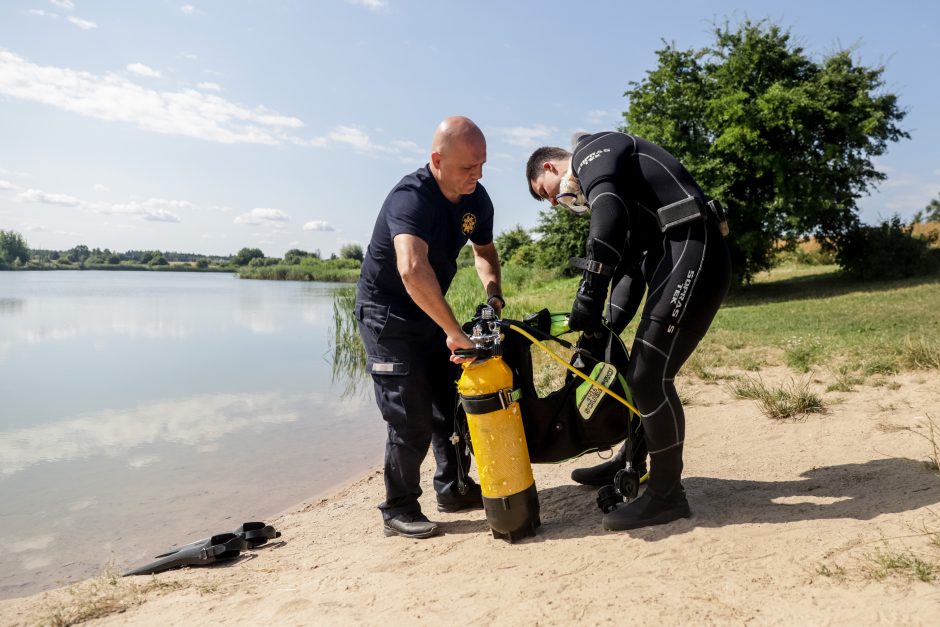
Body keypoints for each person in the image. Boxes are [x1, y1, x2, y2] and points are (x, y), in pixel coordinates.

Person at [526, 131, 731, 530]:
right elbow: (634, 265)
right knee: (636, 370)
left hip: (695, 245)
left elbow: (610, 219)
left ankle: (667, 496)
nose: (553, 202)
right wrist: (604, 324)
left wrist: (588, 292)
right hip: (684, 250)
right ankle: (632, 461)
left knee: (648, 375)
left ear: (551, 166)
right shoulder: (624, 182)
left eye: (544, 191)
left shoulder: (590, 151)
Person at [356, 116, 504, 539]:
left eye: (482, 166)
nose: (477, 176)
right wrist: (455, 332)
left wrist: (493, 293)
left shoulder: (477, 199)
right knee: (411, 414)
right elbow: (411, 268)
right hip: (387, 313)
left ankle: (453, 488)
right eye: (467, 168)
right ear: (437, 160)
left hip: (429, 310)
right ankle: (398, 508)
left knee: (450, 402)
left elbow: (485, 252)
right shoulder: (412, 198)